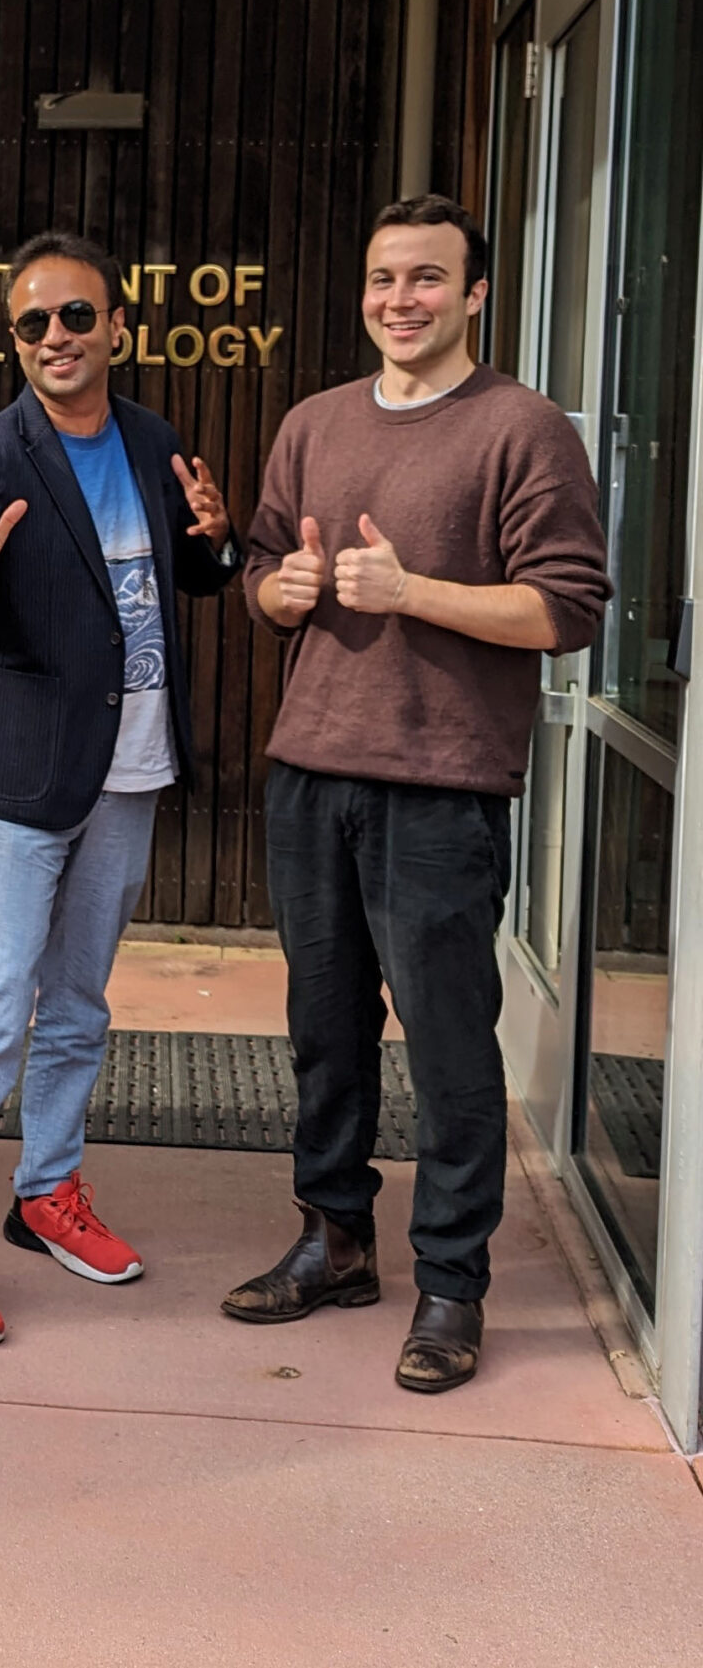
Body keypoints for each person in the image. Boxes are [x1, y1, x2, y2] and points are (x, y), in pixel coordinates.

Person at [226, 195, 608, 1392]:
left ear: (475, 294)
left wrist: (412, 589)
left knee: (447, 1045)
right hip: (309, 768)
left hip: (441, 787)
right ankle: (334, 1237)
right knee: (322, 1032)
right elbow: (252, 565)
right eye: (386, 277)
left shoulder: (523, 428)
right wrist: (275, 592)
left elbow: (566, 609)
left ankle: (452, 1282)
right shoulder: (314, 420)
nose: (402, 299)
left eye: (429, 279)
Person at [0, 231, 239, 1347]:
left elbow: (185, 569)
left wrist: (223, 546)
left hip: (129, 764)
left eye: (74, 317)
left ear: (115, 328)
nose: (54, 337)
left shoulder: (150, 439)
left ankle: (46, 1192)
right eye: (32, 322)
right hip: (27, 777)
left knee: (79, 1002)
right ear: (15, 339)